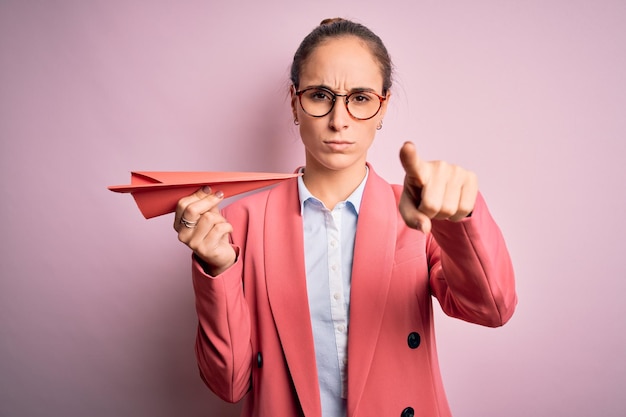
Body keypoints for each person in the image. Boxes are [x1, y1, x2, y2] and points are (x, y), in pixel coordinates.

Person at [173, 18, 516, 417]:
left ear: (382, 106)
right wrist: (217, 268)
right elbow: (229, 383)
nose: (339, 120)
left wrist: (460, 218)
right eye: (320, 95)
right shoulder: (240, 222)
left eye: (360, 97)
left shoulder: (420, 212)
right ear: (294, 103)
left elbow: (492, 309)